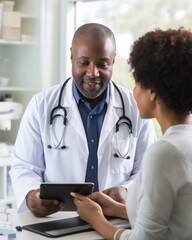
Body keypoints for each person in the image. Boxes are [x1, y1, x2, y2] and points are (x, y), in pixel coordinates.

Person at [10, 23, 156, 217]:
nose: (92, 73)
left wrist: (126, 191)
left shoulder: (136, 107)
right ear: (71, 56)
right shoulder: (42, 105)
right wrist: (30, 195)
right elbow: (24, 165)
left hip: (114, 221)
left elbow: (147, 169)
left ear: (113, 60)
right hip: (57, 220)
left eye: (103, 64)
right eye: (84, 62)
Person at [72, 27, 192, 240]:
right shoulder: (185, 142)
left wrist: (96, 219)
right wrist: (115, 209)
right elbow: (170, 219)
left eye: (137, 82)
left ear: (153, 92)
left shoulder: (164, 153)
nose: (133, 90)